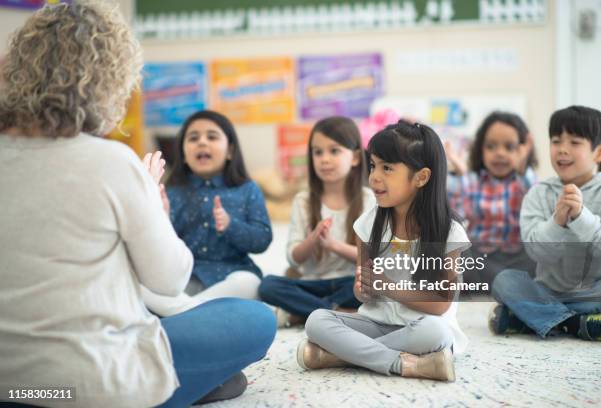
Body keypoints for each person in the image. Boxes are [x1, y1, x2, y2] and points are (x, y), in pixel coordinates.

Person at [0, 2, 275, 407]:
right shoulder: (113, 162)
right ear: (110, 81)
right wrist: (153, 202)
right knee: (255, 319)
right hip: (94, 385)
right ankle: (180, 385)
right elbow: (169, 279)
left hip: (12, 385)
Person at [297, 121, 471, 381]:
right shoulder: (368, 223)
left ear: (421, 177)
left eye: (387, 168)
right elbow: (363, 293)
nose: (374, 177)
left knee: (439, 334)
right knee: (316, 320)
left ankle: (341, 356)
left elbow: (440, 305)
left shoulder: (450, 234)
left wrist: (388, 287)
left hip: (422, 326)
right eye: (373, 165)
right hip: (376, 324)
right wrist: (363, 288)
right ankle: (409, 365)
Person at [490, 105, 601, 342]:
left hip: (594, 293)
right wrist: (558, 221)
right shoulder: (538, 194)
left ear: (600, 152)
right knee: (505, 281)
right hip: (548, 292)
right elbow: (538, 252)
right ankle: (577, 324)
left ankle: (528, 318)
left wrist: (580, 217)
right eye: (556, 141)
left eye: (575, 142)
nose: (562, 150)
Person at [140, 109, 273, 317]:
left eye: (212, 136)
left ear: (230, 151)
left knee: (252, 283)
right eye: (193, 138)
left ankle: (182, 312)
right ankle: (194, 313)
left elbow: (262, 240)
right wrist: (162, 216)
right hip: (185, 279)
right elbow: (162, 252)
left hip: (231, 277)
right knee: (139, 286)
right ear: (183, 155)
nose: (202, 142)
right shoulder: (171, 194)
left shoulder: (247, 189)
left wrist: (231, 225)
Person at [258, 116, 375, 327]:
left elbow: (372, 258)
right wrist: (312, 240)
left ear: (356, 157)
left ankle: (305, 312)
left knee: (378, 285)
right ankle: (337, 312)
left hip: (350, 284)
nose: (324, 159)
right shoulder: (303, 201)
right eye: (317, 152)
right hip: (310, 284)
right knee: (268, 286)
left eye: (334, 151)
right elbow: (293, 258)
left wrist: (333, 246)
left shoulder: (368, 199)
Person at [445, 111, 537, 288]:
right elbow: (457, 213)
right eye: (491, 146)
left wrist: (523, 168)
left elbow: (534, 197)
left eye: (509, 147)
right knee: (458, 254)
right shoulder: (473, 180)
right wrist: (460, 174)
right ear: (480, 149)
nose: (500, 153)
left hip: (517, 256)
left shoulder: (524, 181)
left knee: (543, 254)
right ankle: (506, 283)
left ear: (523, 150)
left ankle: (504, 282)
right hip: (481, 256)